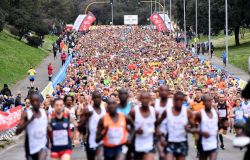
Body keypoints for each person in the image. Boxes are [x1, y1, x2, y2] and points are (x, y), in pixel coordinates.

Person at [159, 91, 195, 160]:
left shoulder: (187, 112)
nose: (179, 102)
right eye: (177, 100)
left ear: (183, 100)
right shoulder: (167, 111)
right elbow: (157, 124)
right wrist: (161, 137)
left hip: (182, 142)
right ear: (173, 100)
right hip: (169, 141)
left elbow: (194, 128)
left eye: (181, 100)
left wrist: (188, 129)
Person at [16, 93, 48, 160]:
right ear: (31, 102)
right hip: (30, 146)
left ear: (40, 102)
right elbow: (17, 131)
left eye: (37, 101)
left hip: (43, 145)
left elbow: (49, 128)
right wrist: (30, 120)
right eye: (33, 101)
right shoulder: (26, 114)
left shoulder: (45, 113)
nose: (35, 103)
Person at [78, 91, 106, 160]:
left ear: (101, 98)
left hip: (102, 140)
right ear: (92, 98)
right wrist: (86, 117)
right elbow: (80, 127)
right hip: (91, 139)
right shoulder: (87, 109)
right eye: (95, 98)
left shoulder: (104, 109)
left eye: (99, 97)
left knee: (100, 157)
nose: (97, 99)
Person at [129, 92, 156, 160]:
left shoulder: (154, 111)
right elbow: (127, 126)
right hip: (136, 143)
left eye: (147, 98)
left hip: (149, 143)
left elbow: (156, 125)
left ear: (150, 99)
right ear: (140, 99)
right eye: (143, 98)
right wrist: (135, 130)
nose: (145, 100)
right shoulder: (134, 111)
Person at [195, 95, 218, 160]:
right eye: (206, 101)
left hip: (213, 142)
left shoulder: (215, 113)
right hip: (203, 142)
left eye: (209, 101)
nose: (208, 103)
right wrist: (200, 132)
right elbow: (192, 126)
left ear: (212, 102)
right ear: (203, 103)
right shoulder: (199, 114)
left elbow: (218, 124)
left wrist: (223, 125)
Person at [155, 85, 173, 159]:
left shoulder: (172, 103)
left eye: (165, 90)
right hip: (159, 132)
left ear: (168, 92)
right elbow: (153, 120)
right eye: (161, 90)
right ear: (158, 92)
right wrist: (157, 130)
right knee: (162, 155)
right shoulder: (154, 103)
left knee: (169, 156)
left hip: (171, 133)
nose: (163, 92)